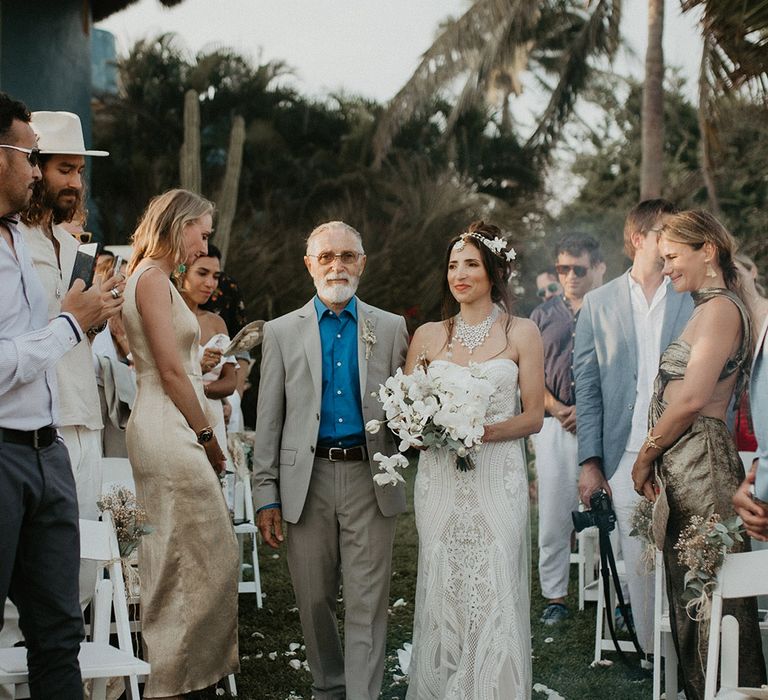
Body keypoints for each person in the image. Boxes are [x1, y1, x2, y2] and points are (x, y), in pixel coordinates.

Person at [252, 221, 408, 700]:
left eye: (347, 256)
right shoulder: (280, 332)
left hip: (370, 474)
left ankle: (363, 694)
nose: (337, 265)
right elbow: (269, 420)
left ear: (362, 262)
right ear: (309, 265)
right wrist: (265, 494)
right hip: (307, 478)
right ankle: (328, 686)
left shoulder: (390, 327)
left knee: (367, 599)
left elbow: (407, 407)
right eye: (326, 257)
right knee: (314, 598)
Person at [0, 92, 121, 698]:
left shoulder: (59, 247)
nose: (71, 180)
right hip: (6, 445)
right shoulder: (11, 241)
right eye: (51, 164)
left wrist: (95, 314)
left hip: (59, 435)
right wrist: (72, 322)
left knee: (61, 622)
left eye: (79, 169)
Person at [404, 221, 544, 698]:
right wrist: (425, 430)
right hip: (441, 480)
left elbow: (534, 417)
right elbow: (407, 413)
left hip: (496, 477)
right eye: (451, 265)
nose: (459, 274)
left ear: (493, 271)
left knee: (496, 572)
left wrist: (480, 431)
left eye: (470, 264)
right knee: (444, 576)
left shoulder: (521, 332)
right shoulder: (426, 336)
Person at [631, 210, 766, 699]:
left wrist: (645, 456)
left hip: (702, 464)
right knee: (691, 595)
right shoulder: (704, 307)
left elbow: (691, 398)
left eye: (671, 257)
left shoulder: (721, 310)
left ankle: (725, 692)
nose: (665, 269)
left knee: (711, 597)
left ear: (707, 249)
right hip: (684, 463)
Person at [122, 189, 238, 698]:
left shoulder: (156, 280)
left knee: (200, 550)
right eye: (203, 232)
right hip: (168, 426)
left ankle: (193, 674)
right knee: (184, 554)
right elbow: (170, 371)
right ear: (180, 223)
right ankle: (176, 681)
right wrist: (208, 437)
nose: (205, 243)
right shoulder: (150, 278)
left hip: (172, 420)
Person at [574, 199, 693, 652]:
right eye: (665, 231)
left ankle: (689, 656)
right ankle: (652, 654)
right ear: (639, 239)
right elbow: (586, 388)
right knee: (640, 560)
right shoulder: (598, 303)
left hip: (682, 448)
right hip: (623, 455)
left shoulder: (689, 295)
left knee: (685, 553)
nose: (672, 242)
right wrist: (590, 462)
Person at [530, 232, 605, 625]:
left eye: (579, 268)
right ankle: (555, 597)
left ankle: (617, 596)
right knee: (554, 513)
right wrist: (559, 408)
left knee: (609, 509)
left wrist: (588, 410)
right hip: (553, 425)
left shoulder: (609, 309)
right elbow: (528, 374)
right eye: (563, 268)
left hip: (603, 423)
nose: (571, 276)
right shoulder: (541, 317)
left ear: (596, 268)